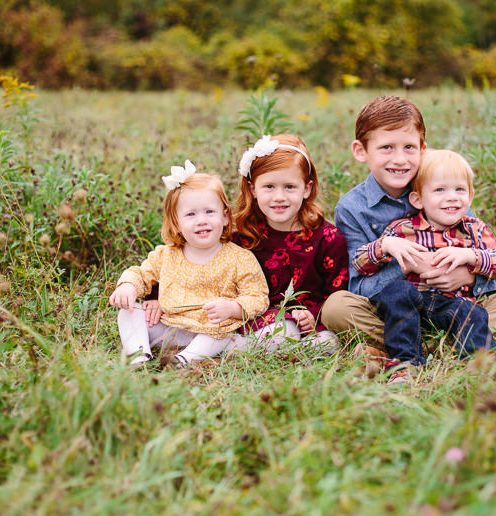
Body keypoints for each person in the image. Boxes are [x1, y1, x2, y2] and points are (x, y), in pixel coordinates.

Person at [320, 95, 496, 371]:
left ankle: (406, 347)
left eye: (409, 147)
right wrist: (403, 263)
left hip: (455, 305)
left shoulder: (444, 187)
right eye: (386, 147)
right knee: (336, 307)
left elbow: (486, 260)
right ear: (361, 151)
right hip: (392, 310)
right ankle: (448, 344)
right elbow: (357, 287)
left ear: (423, 148)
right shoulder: (352, 208)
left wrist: (467, 274)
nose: (399, 159)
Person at [355, 149, 496, 384]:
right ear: (417, 199)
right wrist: (385, 245)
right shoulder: (403, 229)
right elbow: (360, 264)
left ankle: (479, 363)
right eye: (439, 190)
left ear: (471, 196)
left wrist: (469, 256)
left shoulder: (475, 229)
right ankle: (407, 364)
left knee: (475, 311)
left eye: (460, 190)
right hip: (411, 306)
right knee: (396, 292)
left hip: (453, 306)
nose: (452, 197)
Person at [109, 161, 269, 367]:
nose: (201, 220)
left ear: (226, 216)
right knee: (129, 313)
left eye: (209, 212)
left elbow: (258, 296)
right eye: (191, 214)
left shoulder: (240, 258)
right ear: (176, 222)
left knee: (220, 333)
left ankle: (184, 359)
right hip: (169, 328)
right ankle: (138, 356)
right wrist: (129, 286)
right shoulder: (167, 254)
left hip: (211, 330)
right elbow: (141, 274)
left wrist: (232, 308)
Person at [231, 134, 349, 352]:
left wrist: (313, 316)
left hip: (310, 324)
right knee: (284, 332)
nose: (279, 197)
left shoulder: (328, 238)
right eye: (269, 187)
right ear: (253, 189)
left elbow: (336, 295)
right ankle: (241, 347)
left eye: (289, 187)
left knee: (328, 344)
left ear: (306, 188)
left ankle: (249, 349)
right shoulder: (244, 237)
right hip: (259, 321)